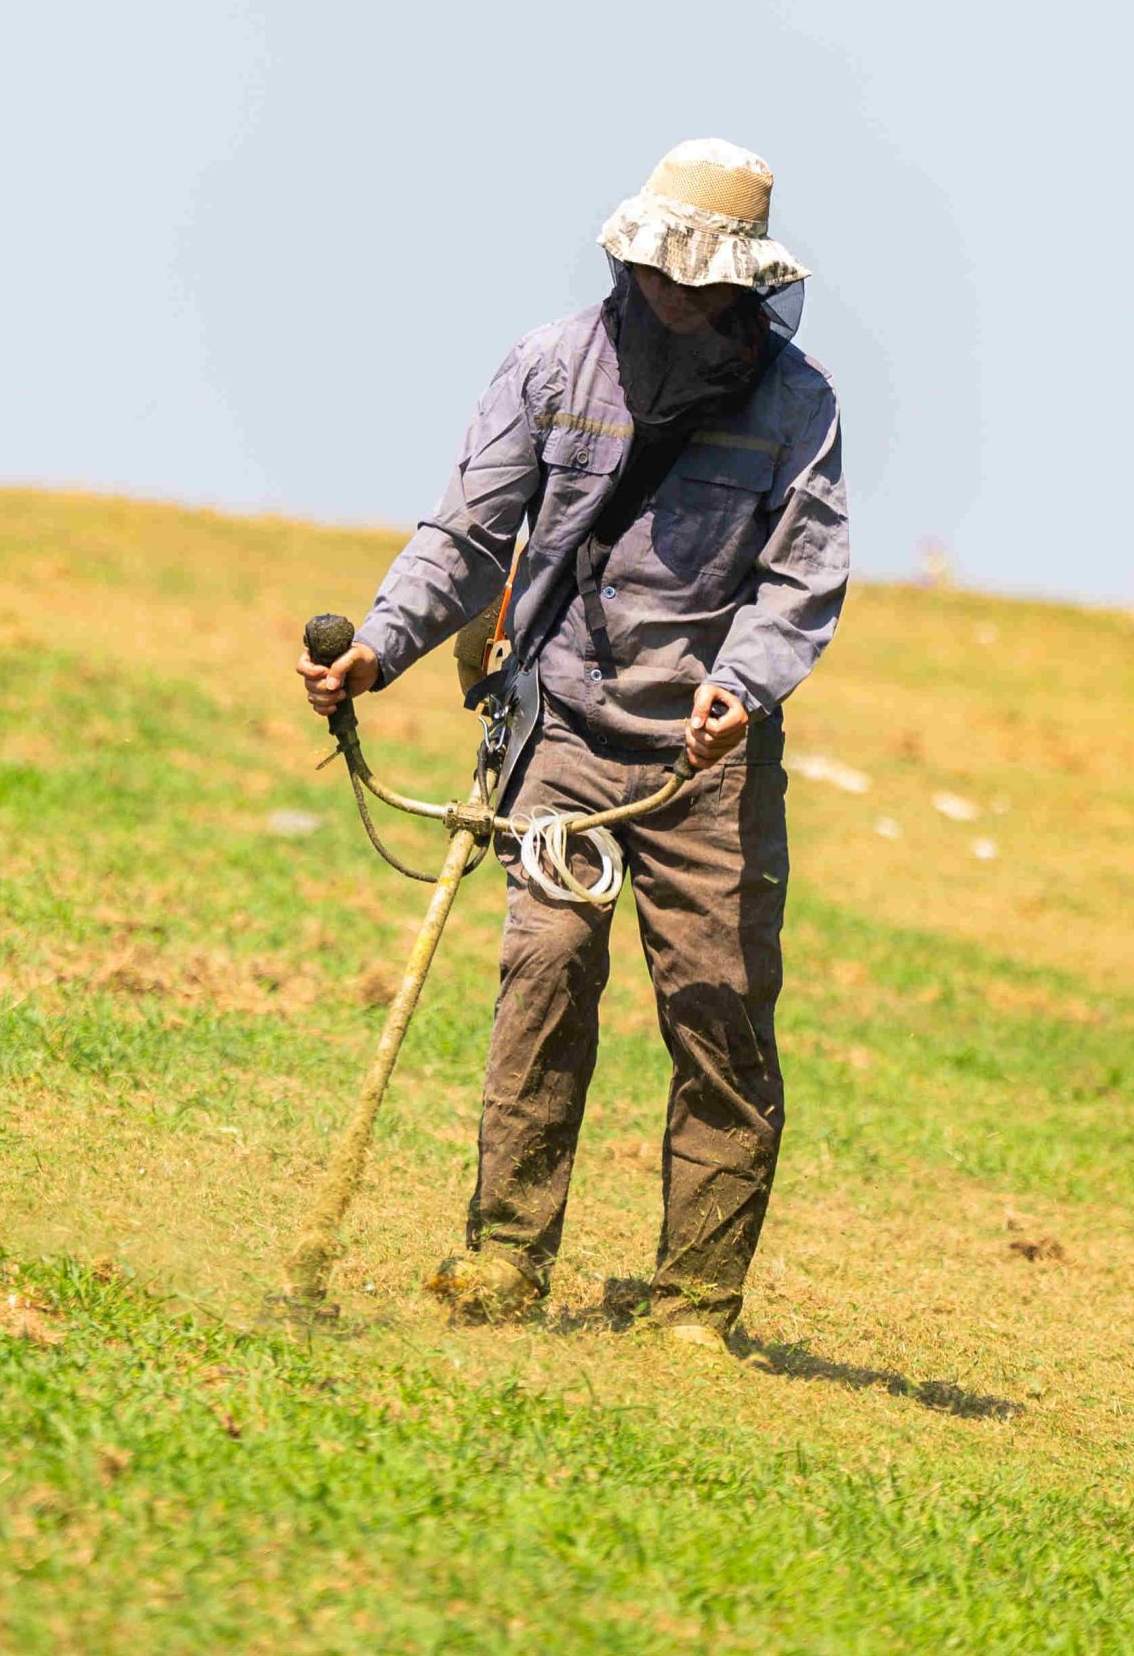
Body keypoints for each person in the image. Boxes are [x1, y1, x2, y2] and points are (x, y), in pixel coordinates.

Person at [297, 139, 848, 1350]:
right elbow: (468, 534)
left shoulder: (798, 405)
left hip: (708, 763)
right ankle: (504, 1257)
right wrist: (377, 651)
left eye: (705, 280)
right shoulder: (552, 364)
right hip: (559, 733)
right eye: (661, 270)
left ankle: (695, 1304)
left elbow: (799, 580)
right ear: (633, 252)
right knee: (545, 968)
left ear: (748, 283)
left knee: (719, 1009)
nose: (677, 296)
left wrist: (739, 688)